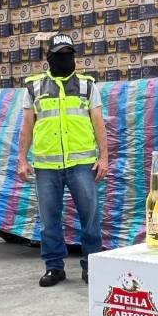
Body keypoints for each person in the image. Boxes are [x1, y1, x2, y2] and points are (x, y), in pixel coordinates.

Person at [18, 34, 109, 287]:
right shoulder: (34, 87)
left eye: (69, 54)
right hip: (46, 166)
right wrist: (22, 159)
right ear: (49, 58)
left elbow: (99, 124)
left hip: (81, 164)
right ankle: (54, 267)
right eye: (59, 55)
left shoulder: (87, 86)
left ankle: (92, 266)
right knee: (49, 221)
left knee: (90, 218)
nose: (64, 59)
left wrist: (104, 158)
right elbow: (27, 126)